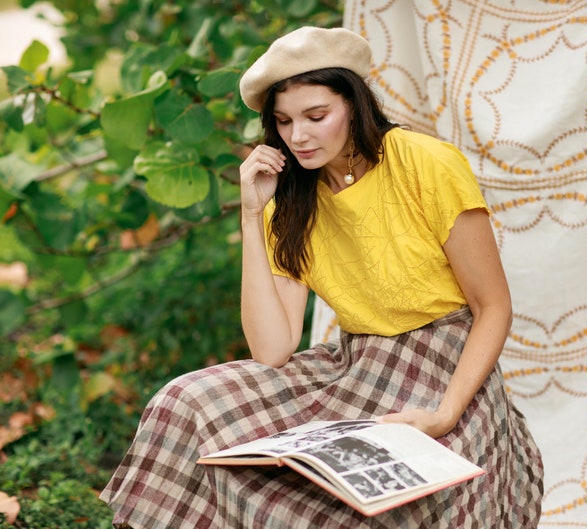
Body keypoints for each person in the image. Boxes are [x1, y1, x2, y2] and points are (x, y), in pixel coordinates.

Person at [100, 26, 543, 528]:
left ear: (354, 106)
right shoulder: (287, 201)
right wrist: (251, 217)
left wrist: (443, 416)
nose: (299, 136)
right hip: (357, 367)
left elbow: (493, 308)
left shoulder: (427, 164)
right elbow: (272, 350)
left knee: (383, 509)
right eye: (284, 122)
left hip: (450, 373)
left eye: (317, 116)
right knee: (184, 402)